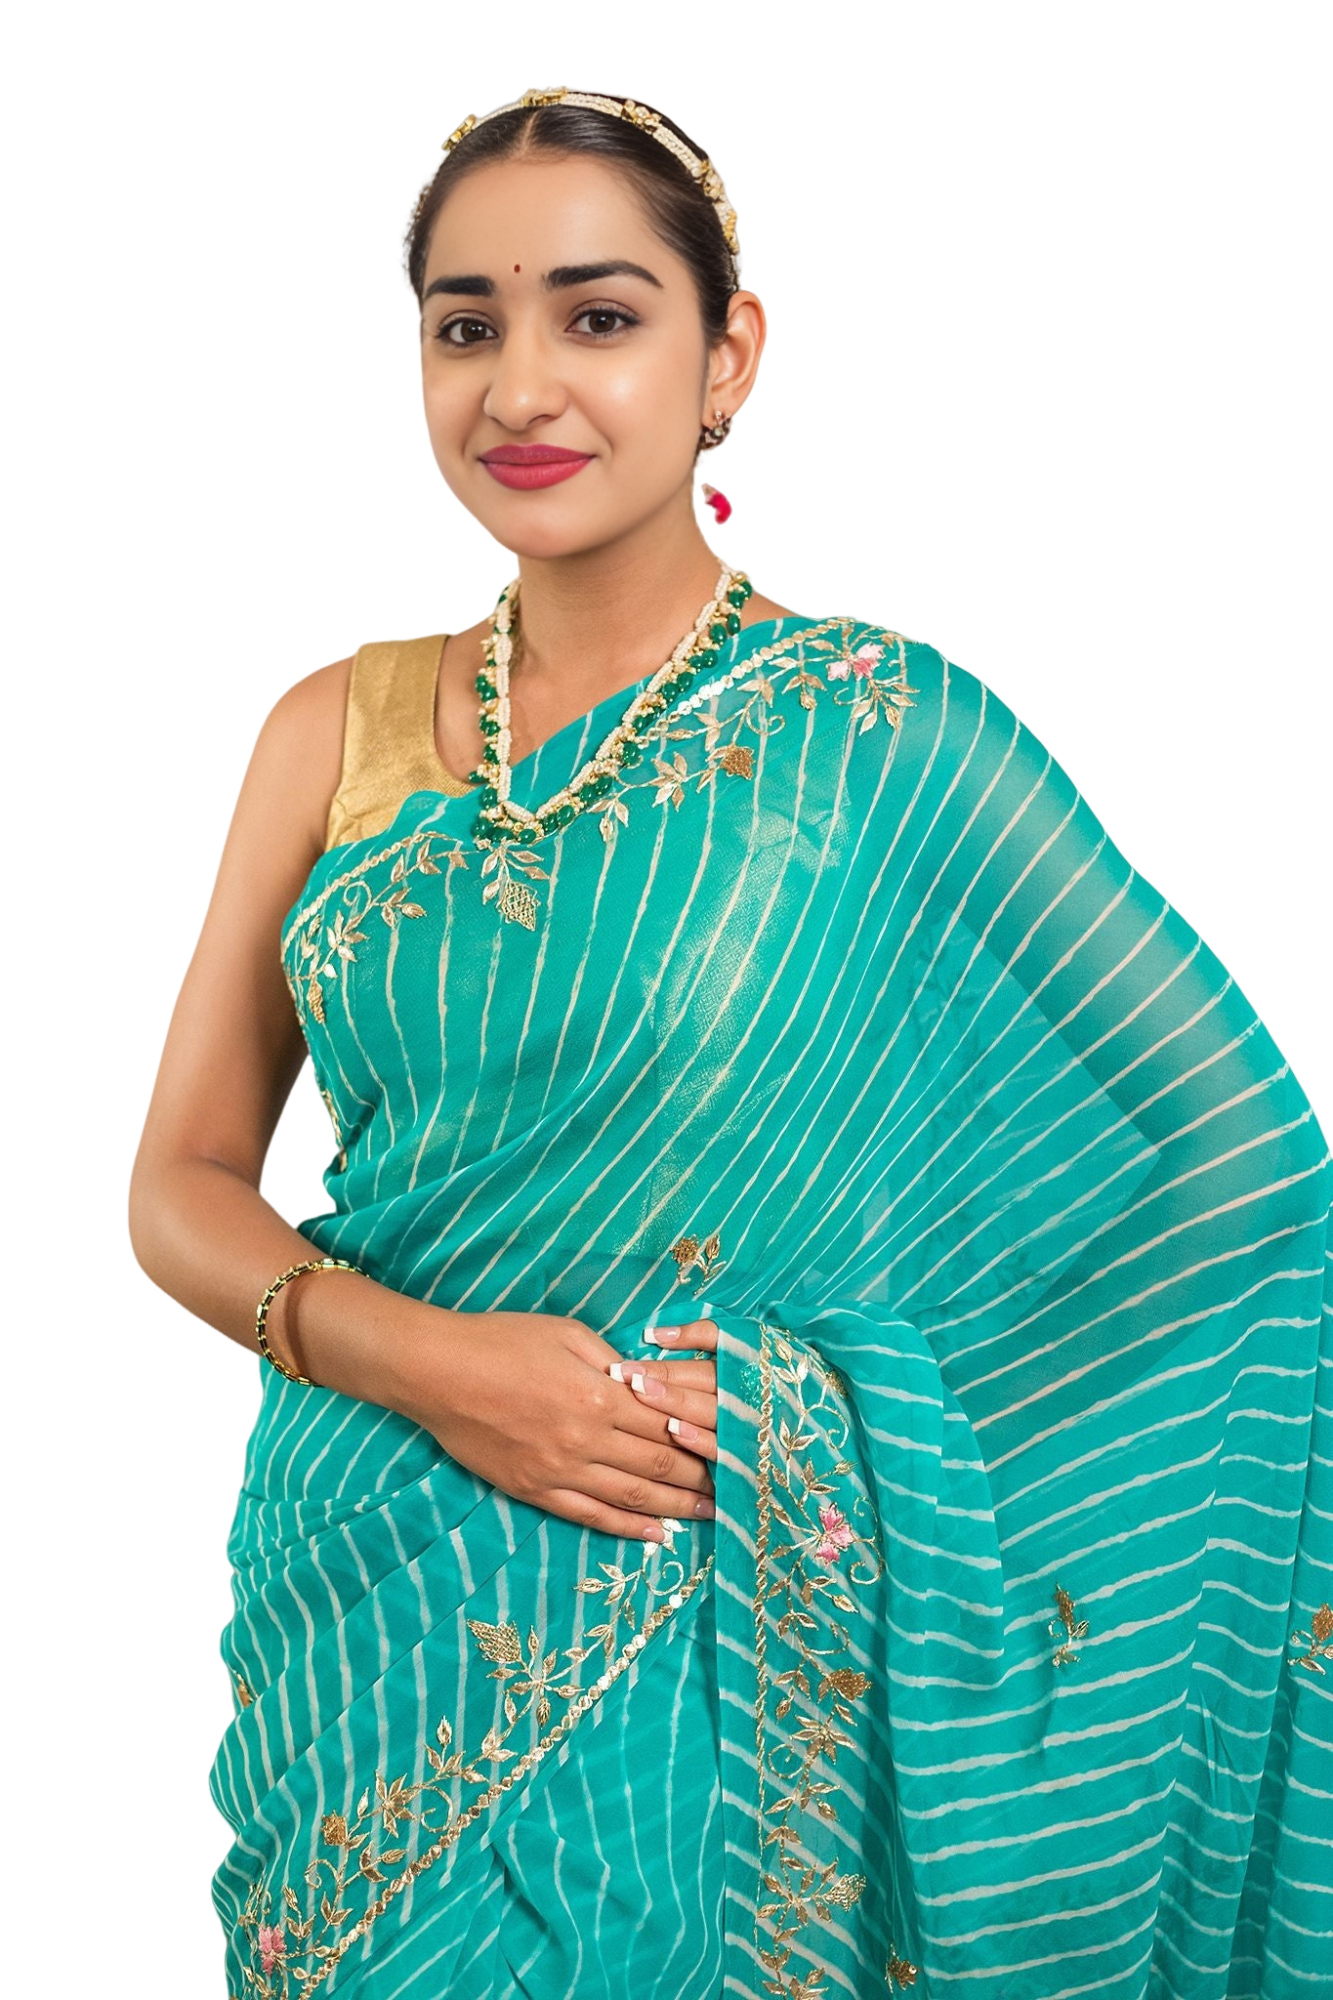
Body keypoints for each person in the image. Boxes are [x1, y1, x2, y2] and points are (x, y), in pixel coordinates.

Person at [125, 84, 1331, 2000]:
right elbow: (181, 1183)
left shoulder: (886, 730)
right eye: (465, 325)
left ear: (727, 359)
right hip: (364, 1601)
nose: (523, 387)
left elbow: (1246, 1162)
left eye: (599, 316)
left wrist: (834, 1431)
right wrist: (435, 1365)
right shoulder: (326, 733)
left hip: (717, 1599)